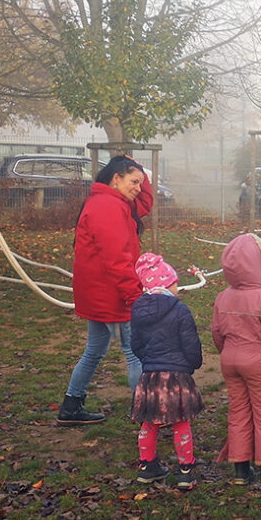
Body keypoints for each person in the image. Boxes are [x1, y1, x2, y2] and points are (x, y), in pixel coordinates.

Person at [57, 155, 153, 425]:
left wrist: (138, 169)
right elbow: (117, 259)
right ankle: (147, 415)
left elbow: (145, 203)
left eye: (140, 183)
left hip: (99, 293)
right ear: (116, 178)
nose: (138, 188)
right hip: (113, 293)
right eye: (134, 182)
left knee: (94, 350)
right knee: (135, 352)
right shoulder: (109, 207)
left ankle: (71, 406)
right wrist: (135, 297)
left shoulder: (112, 201)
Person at [212, 233, 261, 490]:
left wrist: (228, 352)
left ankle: (241, 468)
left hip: (231, 361)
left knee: (238, 412)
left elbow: (217, 333)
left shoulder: (223, 297)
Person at [129, 253, 204, 490]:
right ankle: (186, 471)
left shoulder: (138, 310)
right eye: (174, 282)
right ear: (167, 284)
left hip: (150, 376)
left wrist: (148, 362)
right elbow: (191, 343)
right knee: (181, 423)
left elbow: (135, 344)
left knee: (149, 422)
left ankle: (147, 466)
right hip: (177, 377)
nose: (177, 287)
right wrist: (192, 364)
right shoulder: (180, 310)